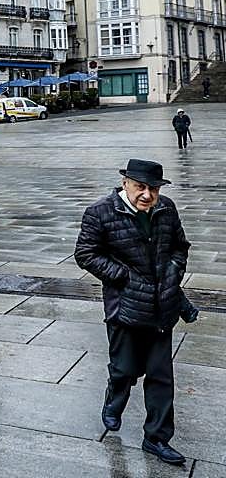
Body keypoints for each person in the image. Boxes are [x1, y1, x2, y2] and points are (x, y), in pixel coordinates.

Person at [74, 159, 191, 466]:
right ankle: (114, 400)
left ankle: (157, 438)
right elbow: (85, 253)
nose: (147, 195)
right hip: (124, 308)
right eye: (141, 187)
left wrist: (175, 269)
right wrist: (123, 277)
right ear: (125, 182)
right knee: (124, 370)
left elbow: (180, 246)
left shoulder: (166, 209)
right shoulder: (100, 212)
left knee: (161, 376)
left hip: (162, 307)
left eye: (153, 188)